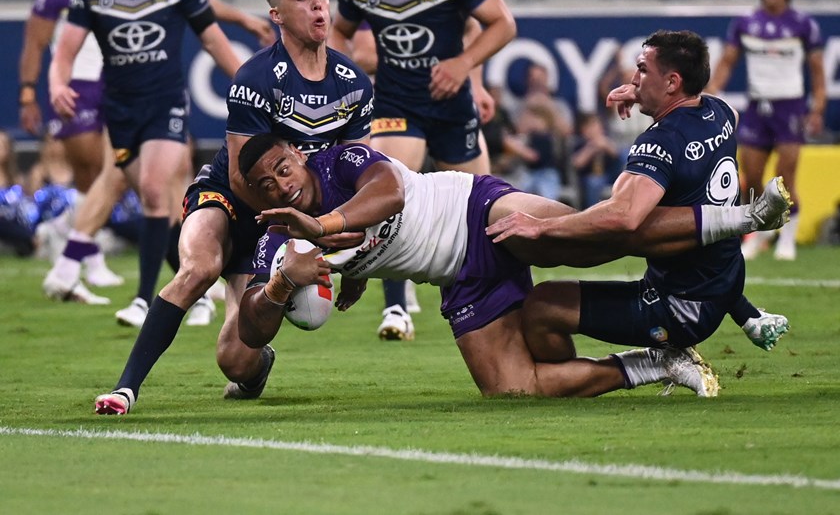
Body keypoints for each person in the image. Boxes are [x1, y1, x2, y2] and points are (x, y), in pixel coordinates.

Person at [227, 122, 790, 403]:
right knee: (512, 389)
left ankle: (739, 220)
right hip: (458, 275)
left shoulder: (339, 160)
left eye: (284, 167)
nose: (282, 183)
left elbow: (390, 193)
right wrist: (279, 285)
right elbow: (250, 330)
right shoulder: (274, 238)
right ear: (256, 194)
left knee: (604, 236)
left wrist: (324, 230)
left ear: (299, 156)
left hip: (476, 209)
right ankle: (659, 364)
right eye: (266, 183)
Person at [93, 0, 374, 416]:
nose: (317, 4)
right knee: (198, 268)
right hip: (231, 196)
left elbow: (359, 174)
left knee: (235, 360)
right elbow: (246, 174)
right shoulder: (256, 77)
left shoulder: (354, 84)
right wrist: (299, 230)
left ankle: (256, 369)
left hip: (289, 221)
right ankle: (125, 389)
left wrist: (357, 259)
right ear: (276, 15)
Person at [42, 0, 276, 323]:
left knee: (154, 190)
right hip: (121, 110)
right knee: (161, 205)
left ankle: (143, 297)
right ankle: (200, 282)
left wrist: (250, 84)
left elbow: (212, 39)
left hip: (165, 104)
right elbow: (64, 49)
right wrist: (55, 84)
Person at [487, 31, 791, 374]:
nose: (633, 78)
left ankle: (654, 366)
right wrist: (645, 93)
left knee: (542, 307)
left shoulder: (660, 141)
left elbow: (624, 217)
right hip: (728, 280)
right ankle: (747, 302)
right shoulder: (720, 112)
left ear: (672, 81)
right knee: (663, 215)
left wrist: (541, 226)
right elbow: (714, 111)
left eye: (643, 70)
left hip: (680, 308)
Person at [329, 0, 516, 340]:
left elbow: (503, 24)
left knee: (486, 210)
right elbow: (338, 36)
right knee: (389, 192)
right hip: (397, 104)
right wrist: (348, 81)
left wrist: (464, 65)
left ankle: (504, 304)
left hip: (453, 107)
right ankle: (396, 310)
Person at [18, 0, 125, 294]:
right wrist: (28, 94)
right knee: (89, 169)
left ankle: (62, 230)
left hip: (114, 81)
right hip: (74, 85)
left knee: (114, 174)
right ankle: (91, 260)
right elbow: (34, 44)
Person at [708, 0, 826, 261]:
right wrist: (711, 94)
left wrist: (817, 108)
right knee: (753, 177)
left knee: (784, 179)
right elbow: (727, 62)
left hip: (790, 107)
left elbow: (818, 72)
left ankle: (787, 237)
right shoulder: (745, 22)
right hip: (757, 106)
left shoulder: (803, 24)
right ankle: (761, 233)